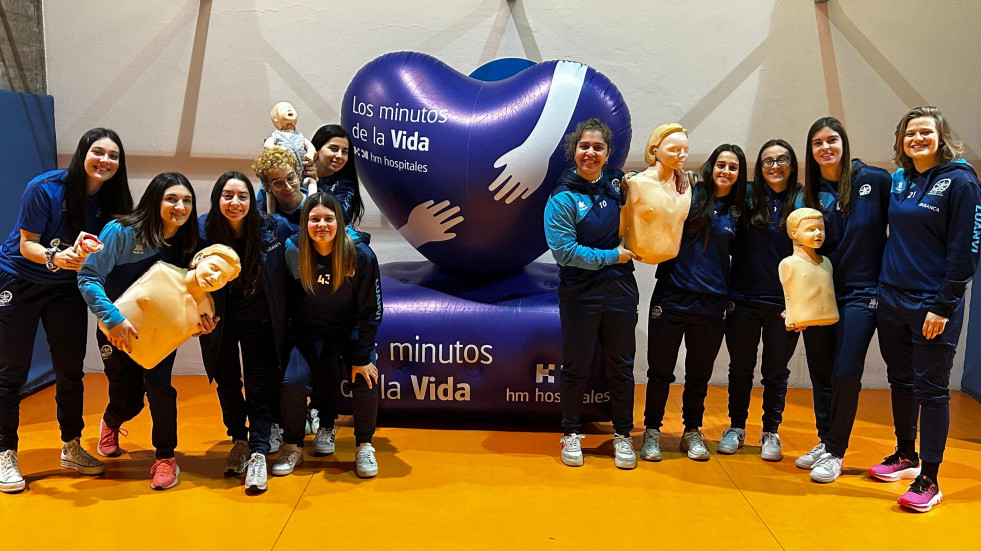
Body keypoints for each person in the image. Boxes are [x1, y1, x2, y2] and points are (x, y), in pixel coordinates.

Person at [0, 128, 133, 493]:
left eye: (113, 156)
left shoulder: (113, 201)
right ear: (82, 153)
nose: (105, 161)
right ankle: (5, 452)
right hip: (20, 279)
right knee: (11, 372)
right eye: (98, 152)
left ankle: (71, 445)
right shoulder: (45, 188)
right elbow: (27, 244)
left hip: (65, 289)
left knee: (70, 369)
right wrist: (55, 257)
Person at [871, 106, 980, 512]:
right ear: (901, 140)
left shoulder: (961, 182)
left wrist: (944, 305)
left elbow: (966, 251)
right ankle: (905, 454)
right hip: (892, 298)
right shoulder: (901, 180)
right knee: (901, 380)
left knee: (932, 391)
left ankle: (930, 479)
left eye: (925, 133)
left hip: (932, 305)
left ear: (941, 137)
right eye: (909, 133)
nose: (917, 139)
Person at [78, 172, 206, 491]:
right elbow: (88, 276)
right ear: (155, 199)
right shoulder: (121, 232)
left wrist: (197, 320)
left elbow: (193, 293)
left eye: (187, 200)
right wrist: (113, 319)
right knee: (130, 400)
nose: (180, 206)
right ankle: (111, 422)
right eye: (172, 199)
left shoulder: (188, 242)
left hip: (159, 334)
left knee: (159, 387)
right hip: (117, 329)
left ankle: (165, 458)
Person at [793, 117, 891, 484]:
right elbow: (801, 255)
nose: (825, 147)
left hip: (863, 294)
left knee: (846, 371)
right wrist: (797, 302)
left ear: (843, 143)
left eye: (831, 140)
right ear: (812, 151)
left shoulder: (875, 180)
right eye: (817, 142)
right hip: (821, 295)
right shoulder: (809, 195)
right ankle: (824, 439)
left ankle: (835, 450)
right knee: (821, 373)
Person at [641, 143, 746, 462]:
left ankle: (692, 431)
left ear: (739, 174)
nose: (726, 171)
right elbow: (653, 185)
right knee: (660, 371)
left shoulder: (738, 212)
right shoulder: (689, 194)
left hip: (712, 302)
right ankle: (651, 432)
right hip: (672, 294)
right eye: (721, 164)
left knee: (699, 374)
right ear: (711, 166)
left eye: (733, 167)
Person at [544, 117, 639, 469]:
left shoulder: (618, 183)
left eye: (598, 147)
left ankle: (623, 436)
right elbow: (565, 252)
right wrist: (613, 256)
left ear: (608, 153)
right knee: (576, 367)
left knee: (622, 366)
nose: (590, 153)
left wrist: (684, 177)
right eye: (584, 146)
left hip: (620, 290)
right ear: (574, 151)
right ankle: (570, 433)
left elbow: (661, 186)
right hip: (579, 293)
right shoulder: (562, 196)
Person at [272, 193, 383, 479]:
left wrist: (362, 355)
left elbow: (373, 309)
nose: (322, 224)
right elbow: (283, 300)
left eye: (328, 218)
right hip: (308, 329)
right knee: (292, 382)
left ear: (339, 221)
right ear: (304, 223)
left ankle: (364, 445)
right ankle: (293, 445)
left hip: (350, 328)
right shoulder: (292, 250)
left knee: (366, 376)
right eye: (314, 219)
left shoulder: (360, 254)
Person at [198, 171, 292, 494]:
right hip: (220, 322)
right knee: (226, 381)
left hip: (260, 321)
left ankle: (259, 450)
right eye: (227, 196)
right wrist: (195, 315)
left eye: (242, 196)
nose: (235, 203)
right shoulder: (202, 230)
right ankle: (238, 438)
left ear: (252, 201)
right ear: (217, 199)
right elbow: (184, 276)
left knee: (258, 383)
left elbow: (309, 234)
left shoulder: (271, 227)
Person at [720, 139, 801, 461]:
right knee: (740, 368)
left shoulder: (803, 199)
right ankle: (736, 427)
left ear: (792, 164)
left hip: (785, 305)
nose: (775, 166)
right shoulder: (747, 195)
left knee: (776, 371)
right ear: (759, 166)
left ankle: (771, 431)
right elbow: (716, 189)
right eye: (768, 161)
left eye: (782, 160)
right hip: (742, 298)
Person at [779, 208, 838, 328]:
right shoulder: (789, 264)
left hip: (831, 317)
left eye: (821, 229)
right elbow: (788, 295)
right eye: (811, 229)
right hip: (801, 318)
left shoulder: (826, 262)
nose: (818, 233)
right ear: (794, 232)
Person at [254, 147, 306, 226]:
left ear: (298, 175)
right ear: (268, 187)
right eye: (278, 183)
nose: (288, 187)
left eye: (291, 178)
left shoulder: (319, 202)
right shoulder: (260, 214)